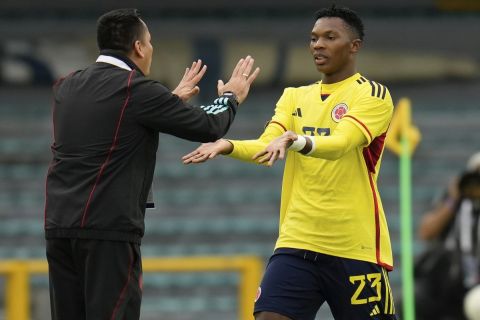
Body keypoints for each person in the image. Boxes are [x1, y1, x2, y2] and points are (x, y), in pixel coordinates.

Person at [44, 8, 260, 320]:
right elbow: (208, 125)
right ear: (139, 47)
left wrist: (168, 103)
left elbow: (111, 124)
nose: (151, 49)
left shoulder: (67, 85)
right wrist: (230, 97)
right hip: (108, 231)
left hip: (58, 227)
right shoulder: (136, 89)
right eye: (150, 41)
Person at [183, 5, 396, 320]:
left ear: (354, 46)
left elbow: (341, 143)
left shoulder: (373, 95)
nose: (318, 45)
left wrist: (298, 140)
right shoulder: (294, 96)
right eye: (313, 38)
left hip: (354, 246)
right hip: (297, 240)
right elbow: (266, 146)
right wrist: (227, 144)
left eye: (329, 37)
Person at [414, 152, 480, 320]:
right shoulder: (454, 202)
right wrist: (454, 199)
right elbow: (426, 232)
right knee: (414, 299)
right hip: (452, 282)